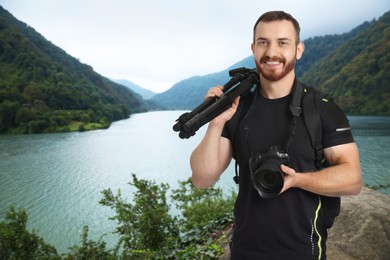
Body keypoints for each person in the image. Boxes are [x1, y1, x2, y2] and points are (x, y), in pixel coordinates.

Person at [190, 10, 362, 259]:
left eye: (283, 42)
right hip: (244, 252)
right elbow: (202, 179)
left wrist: (297, 180)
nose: (272, 52)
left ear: (298, 50)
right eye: (263, 42)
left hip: (304, 252)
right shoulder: (237, 108)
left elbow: (353, 180)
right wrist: (215, 123)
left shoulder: (322, 109)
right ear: (253, 48)